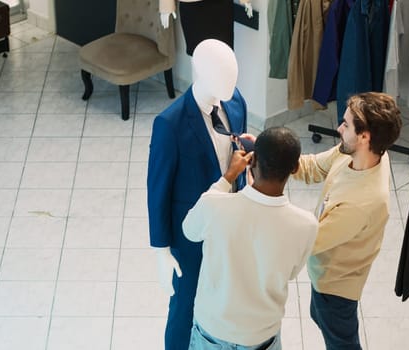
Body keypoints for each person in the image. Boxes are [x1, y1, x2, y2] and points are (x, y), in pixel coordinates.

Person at [147, 39, 248, 350]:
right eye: (223, 74)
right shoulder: (169, 124)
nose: (230, 83)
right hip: (191, 232)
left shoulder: (235, 102)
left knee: (228, 298)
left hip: (232, 225)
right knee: (184, 307)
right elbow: (158, 190)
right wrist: (161, 250)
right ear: (200, 73)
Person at [182, 127, 318, 350]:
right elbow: (292, 272)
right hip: (261, 335)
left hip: (213, 330)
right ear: (295, 168)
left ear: (252, 162)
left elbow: (189, 230)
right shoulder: (307, 224)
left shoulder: (214, 205)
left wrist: (227, 178)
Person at [293, 92, 402, 349]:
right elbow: (314, 167)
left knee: (342, 342)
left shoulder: (362, 203)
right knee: (321, 320)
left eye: (346, 124)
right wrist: (272, 156)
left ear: (365, 137)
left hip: (336, 288)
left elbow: (308, 242)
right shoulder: (361, 154)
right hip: (327, 273)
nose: (339, 128)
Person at [159, 0, 253, 55]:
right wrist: (166, 6)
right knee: (199, 57)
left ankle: (221, 88)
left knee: (223, 54)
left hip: (221, 5)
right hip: (193, 8)